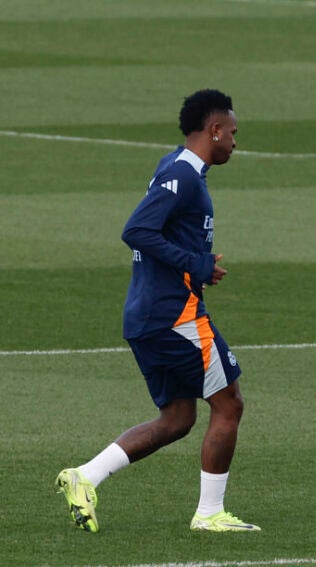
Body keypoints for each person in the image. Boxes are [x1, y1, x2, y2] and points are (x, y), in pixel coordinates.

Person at [55, 89, 259, 533]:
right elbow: (136, 230)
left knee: (179, 418)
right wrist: (195, 264)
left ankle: (85, 476)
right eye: (232, 132)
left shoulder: (179, 169)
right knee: (229, 403)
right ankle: (210, 514)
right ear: (214, 130)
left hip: (149, 316)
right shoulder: (182, 173)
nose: (234, 142)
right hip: (174, 317)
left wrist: (194, 263)